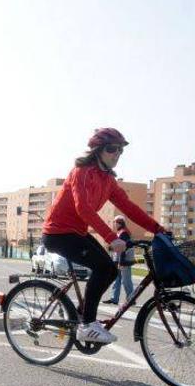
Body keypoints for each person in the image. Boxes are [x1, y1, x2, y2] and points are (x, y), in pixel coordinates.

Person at [43, 128, 164, 344]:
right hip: (58, 233)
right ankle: (87, 325)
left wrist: (158, 229)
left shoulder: (108, 180)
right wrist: (110, 237)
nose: (116, 154)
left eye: (120, 150)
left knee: (110, 271)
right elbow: (83, 209)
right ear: (98, 150)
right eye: (111, 149)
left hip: (77, 232)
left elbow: (129, 208)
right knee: (103, 267)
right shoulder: (81, 172)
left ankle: (81, 316)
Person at [103, 215, 136, 306]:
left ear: (119, 223)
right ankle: (114, 299)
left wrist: (121, 261)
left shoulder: (124, 233)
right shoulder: (120, 232)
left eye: (115, 222)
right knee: (117, 280)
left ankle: (131, 299)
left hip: (124, 260)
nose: (114, 224)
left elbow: (123, 248)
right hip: (119, 260)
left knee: (126, 281)